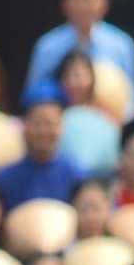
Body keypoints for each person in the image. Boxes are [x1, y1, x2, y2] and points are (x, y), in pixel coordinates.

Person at [23, 0, 134, 104]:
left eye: (90, 0)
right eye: (77, 0)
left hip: (110, 116)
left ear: (105, 4)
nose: (84, 6)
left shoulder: (122, 45)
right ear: (65, 3)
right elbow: (34, 96)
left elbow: (133, 96)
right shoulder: (48, 46)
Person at [0, 87, 80, 211]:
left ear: (61, 127)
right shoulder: (6, 178)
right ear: (24, 126)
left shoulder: (75, 175)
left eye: (50, 124)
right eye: (37, 123)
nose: (43, 131)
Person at [57, 49, 121, 177]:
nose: (72, 82)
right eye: (67, 76)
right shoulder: (55, 117)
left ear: (92, 78)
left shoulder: (106, 119)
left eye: (78, 75)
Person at [72, 178, 113, 243]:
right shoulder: (65, 245)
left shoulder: (120, 242)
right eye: (83, 209)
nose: (90, 217)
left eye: (96, 208)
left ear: (109, 208)